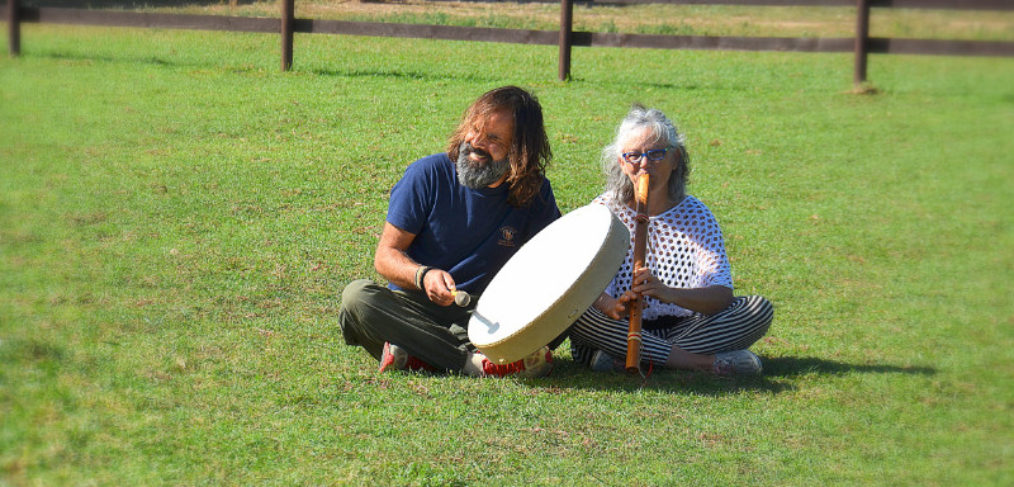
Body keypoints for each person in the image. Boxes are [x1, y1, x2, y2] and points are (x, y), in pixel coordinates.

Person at [339, 86, 561, 377]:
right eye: (474, 130)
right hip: (415, 308)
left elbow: (555, 265)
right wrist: (423, 275)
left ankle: (419, 355)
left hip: (488, 315)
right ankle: (471, 362)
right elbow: (386, 256)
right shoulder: (426, 175)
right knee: (357, 299)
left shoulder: (536, 192)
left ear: (520, 150)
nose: (476, 143)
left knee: (562, 314)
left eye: (493, 138)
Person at [569, 105, 773, 375]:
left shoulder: (697, 215)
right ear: (621, 162)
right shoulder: (604, 212)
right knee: (575, 313)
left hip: (683, 328)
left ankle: (633, 357)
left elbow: (721, 296)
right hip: (616, 327)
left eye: (656, 154)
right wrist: (612, 305)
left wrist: (668, 293)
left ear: (675, 158)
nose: (644, 164)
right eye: (634, 156)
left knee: (759, 309)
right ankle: (700, 363)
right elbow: (584, 286)